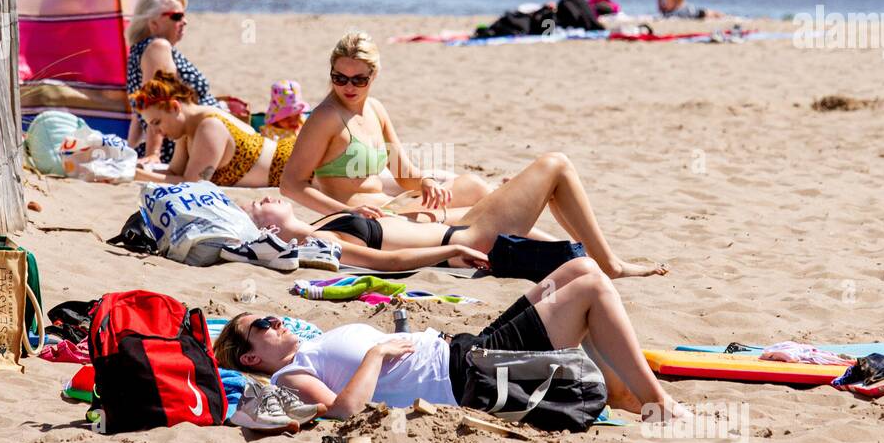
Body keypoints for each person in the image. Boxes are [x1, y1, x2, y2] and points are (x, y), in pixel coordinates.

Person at [213, 258, 685, 422]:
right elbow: (341, 411)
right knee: (593, 289)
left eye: (273, 316)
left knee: (580, 271)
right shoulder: (291, 374)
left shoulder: (310, 344)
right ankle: (656, 403)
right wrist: (377, 352)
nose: (277, 322)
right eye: (264, 325)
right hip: (466, 376)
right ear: (252, 354)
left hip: (463, 348)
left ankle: (624, 393)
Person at [249, 151, 667, 278]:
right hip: (466, 239)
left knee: (481, 184)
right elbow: (387, 262)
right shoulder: (321, 243)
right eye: (261, 205)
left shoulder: (320, 225)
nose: (268, 198)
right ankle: (608, 264)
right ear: (270, 228)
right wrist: (452, 252)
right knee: (556, 166)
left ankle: (581, 255)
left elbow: (388, 235)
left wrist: (379, 208)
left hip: (458, 230)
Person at [279, 31, 491, 222]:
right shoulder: (326, 117)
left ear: (374, 74)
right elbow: (291, 185)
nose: (348, 87)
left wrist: (426, 182)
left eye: (359, 80)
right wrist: (345, 212)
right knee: (479, 208)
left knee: (475, 193)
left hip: (390, 207)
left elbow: (403, 172)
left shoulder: (376, 109)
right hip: (366, 220)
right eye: (340, 78)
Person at [131, 72, 295, 187]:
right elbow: (175, 172)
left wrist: (135, 175)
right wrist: (136, 168)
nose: (155, 131)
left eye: (157, 122)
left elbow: (191, 184)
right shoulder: (188, 129)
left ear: (174, 107)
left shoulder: (209, 126)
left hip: (294, 163)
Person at [124, 0, 218, 166]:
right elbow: (159, 101)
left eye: (184, 15)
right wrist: (153, 153)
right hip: (186, 146)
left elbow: (139, 113)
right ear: (153, 23)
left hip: (188, 140)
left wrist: (130, 149)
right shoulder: (158, 47)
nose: (185, 21)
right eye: (176, 16)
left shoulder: (140, 50)